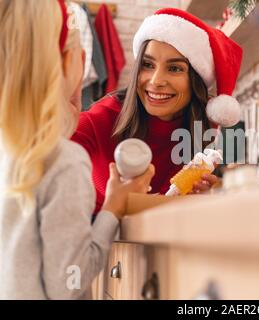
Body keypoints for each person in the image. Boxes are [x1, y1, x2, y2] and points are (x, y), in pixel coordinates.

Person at [0, 0, 154, 299]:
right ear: (76, 61)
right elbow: (67, 287)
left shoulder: (8, 151)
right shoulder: (62, 160)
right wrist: (113, 210)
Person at [71, 8, 243, 213]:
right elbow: (40, 162)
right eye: (147, 65)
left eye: (174, 68)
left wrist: (202, 198)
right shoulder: (102, 119)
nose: (156, 81)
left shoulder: (204, 131)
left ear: (196, 80)